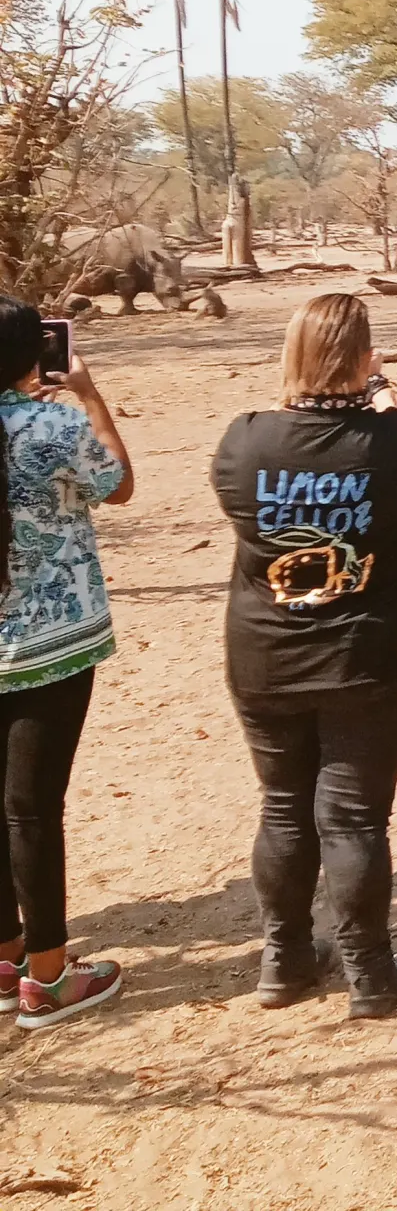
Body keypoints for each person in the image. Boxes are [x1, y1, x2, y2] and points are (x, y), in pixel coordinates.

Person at [211, 293, 397, 1018]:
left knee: (284, 808)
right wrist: (380, 405)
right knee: (352, 818)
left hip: (268, 652)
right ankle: (370, 970)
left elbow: (241, 508)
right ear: (366, 361)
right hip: (366, 657)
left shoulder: (245, 440)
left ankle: (283, 960)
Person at [0, 294, 135, 1028]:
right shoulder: (52, 424)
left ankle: (6, 957)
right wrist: (88, 393)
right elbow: (118, 484)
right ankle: (49, 977)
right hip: (51, 644)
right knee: (32, 808)